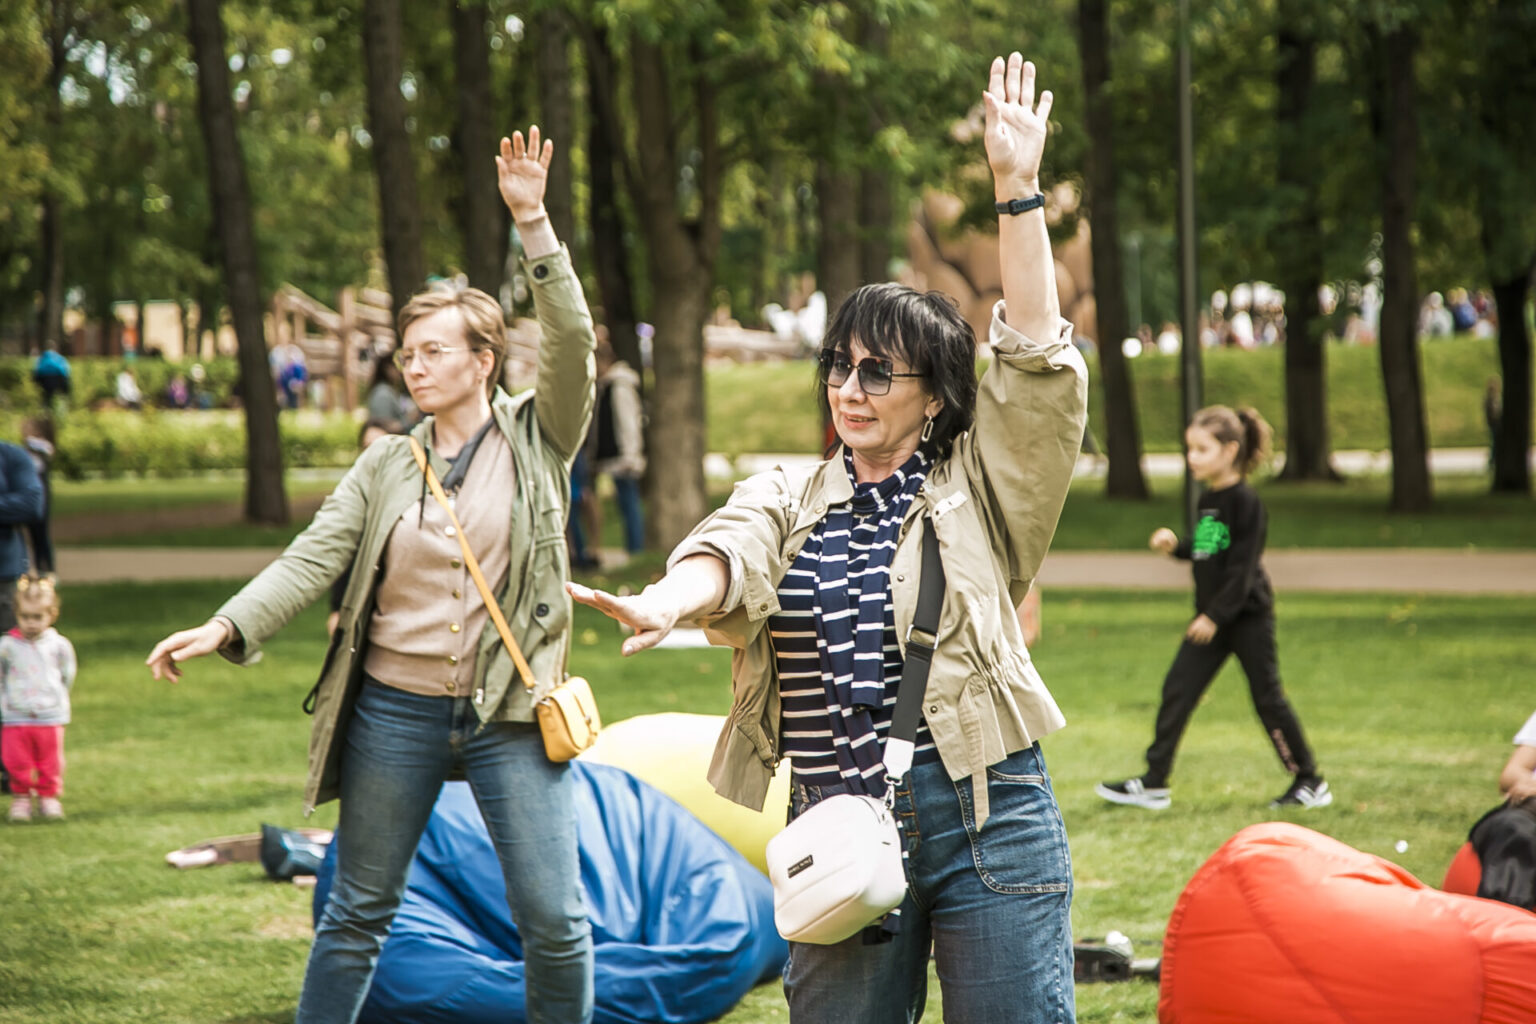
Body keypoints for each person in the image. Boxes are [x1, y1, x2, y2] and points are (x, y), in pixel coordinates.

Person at [569, 55, 1085, 1023]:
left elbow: (1037, 360)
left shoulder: (985, 486)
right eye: (838, 368)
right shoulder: (790, 494)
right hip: (833, 817)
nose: (849, 389)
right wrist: (665, 600)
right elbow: (731, 548)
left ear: (933, 393)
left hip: (987, 816)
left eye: (877, 372)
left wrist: (1015, 189)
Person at [145, 127, 598, 1024]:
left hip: (511, 710)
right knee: (355, 914)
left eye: (433, 351)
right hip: (395, 708)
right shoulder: (389, 462)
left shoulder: (542, 437)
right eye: (408, 354)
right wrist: (228, 624)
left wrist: (533, 222)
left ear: (483, 360)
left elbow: (574, 338)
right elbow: (315, 555)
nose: (413, 367)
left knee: (555, 921)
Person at [1097, 406, 1329, 812]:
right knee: (1177, 690)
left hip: (1245, 618)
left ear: (1230, 450)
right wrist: (1177, 547)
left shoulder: (1247, 503)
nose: (1193, 458)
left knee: (1268, 699)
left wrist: (1213, 617)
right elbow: (1208, 548)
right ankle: (1154, 783)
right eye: (1190, 449)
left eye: (1202, 449)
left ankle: (1309, 779)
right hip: (1212, 621)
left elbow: (1241, 571)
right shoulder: (1209, 500)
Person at [2, 577, 76, 822]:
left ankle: (48, 797)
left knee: (50, 760)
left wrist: (56, 697)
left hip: (50, 715)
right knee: (16, 759)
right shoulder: (8, 646)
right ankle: (21, 797)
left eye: (37, 617)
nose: (31, 623)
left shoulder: (58, 645)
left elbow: (67, 673)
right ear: (17, 615)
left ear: (51, 615)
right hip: (15, 714)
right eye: (25, 617)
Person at [325, 419, 398, 638]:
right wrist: (337, 612)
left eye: (382, 445)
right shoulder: (357, 498)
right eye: (367, 447)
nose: (374, 454)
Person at [0, 442, 44, 797]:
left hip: (4, 581)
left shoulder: (10, 457)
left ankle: (10, 768)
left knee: (10, 672)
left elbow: (31, 503)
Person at [1463, 710, 1536, 910]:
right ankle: (1502, 926)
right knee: (1513, 829)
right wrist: (1523, 782)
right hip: (1530, 809)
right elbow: (1511, 773)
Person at [592, 338, 646, 553]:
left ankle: (636, 549)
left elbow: (628, 422)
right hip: (614, 456)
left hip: (623, 457)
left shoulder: (619, 387)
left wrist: (630, 454)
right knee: (624, 503)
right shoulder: (606, 387)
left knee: (629, 503)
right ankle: (633, 547)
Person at [20, 418, 56, 577]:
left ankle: (49, 569)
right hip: (28, 493)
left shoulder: (43, 446)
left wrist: (29, 442)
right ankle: (35, 568)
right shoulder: (25, 450)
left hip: (41, 495)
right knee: (31, 533)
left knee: (41, 533)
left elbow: (42, 448)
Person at [364, 356, 416, 432]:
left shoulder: (389, 390)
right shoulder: (383, 393)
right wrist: (410, 420)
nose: (400, 371)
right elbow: (384, 427)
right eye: (397, 366)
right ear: (388, 368)